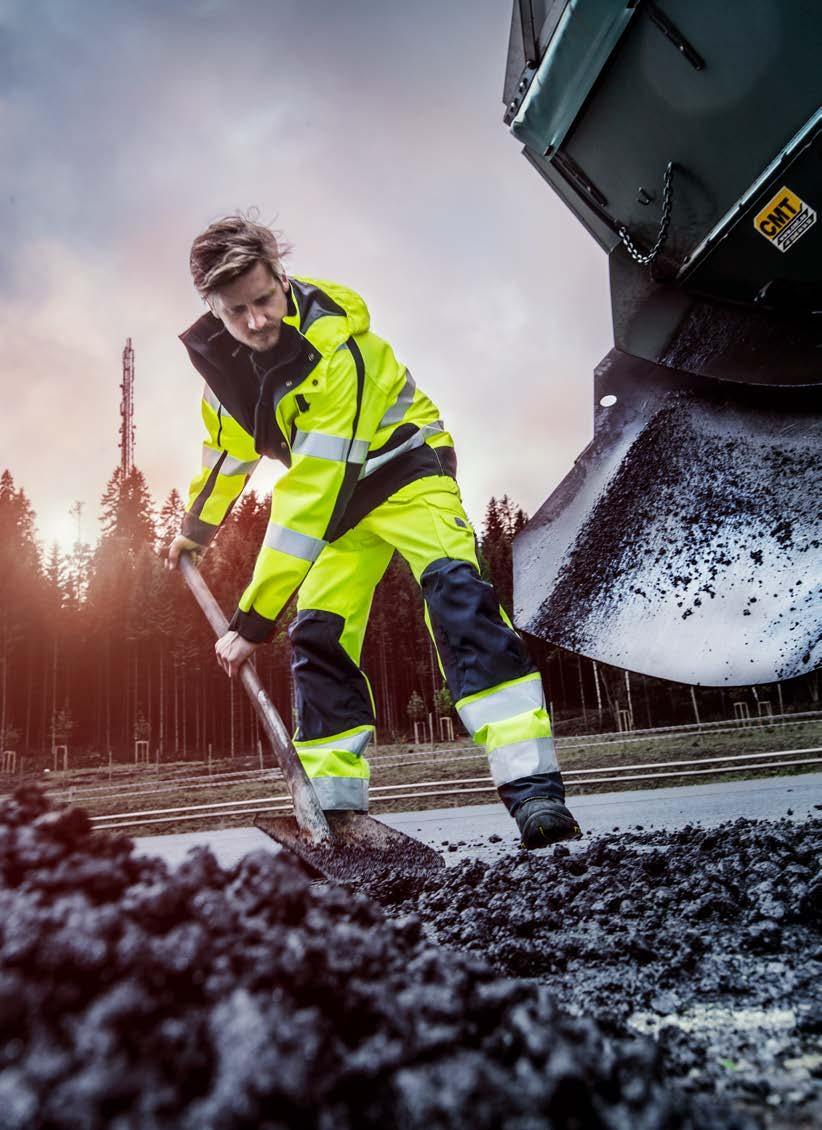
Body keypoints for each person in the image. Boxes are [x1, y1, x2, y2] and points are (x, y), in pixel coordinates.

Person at [165, 214, 580, 849]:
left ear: (283, 275)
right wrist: (197, 527)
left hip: (406, 471)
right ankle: (336, 814)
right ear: (212, 310)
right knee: (321, 634)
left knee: (459, 601)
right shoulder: (228, 369)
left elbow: (309, 496)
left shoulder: (338, 350)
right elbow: (228, 450)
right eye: (235, 313)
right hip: (341, 508)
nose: (255, 323)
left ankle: (534, 792)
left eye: (264, 300)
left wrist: (251, 623)